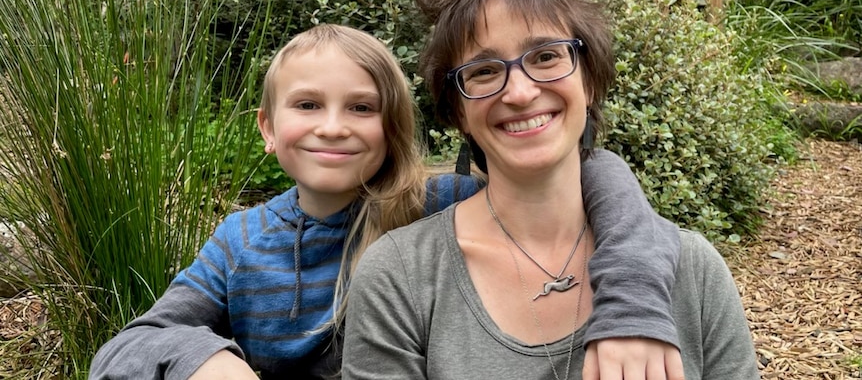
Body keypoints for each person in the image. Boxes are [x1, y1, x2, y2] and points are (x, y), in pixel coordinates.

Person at [89, 24, 683, 380]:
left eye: (361, 108)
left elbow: (591, 174)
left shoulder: (434, 204)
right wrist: (202, 356)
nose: (333, 127)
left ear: (391, 127)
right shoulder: (238, 241)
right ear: (268, 128)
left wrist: (630, 302)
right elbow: (126, 349)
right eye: (307, 105)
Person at [342, 0, 760, 380]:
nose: (521, 93)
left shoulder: (694, 272)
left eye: (545, 56)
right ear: (458, 112)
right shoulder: (399, 278)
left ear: (589, 82)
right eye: (484, 71)